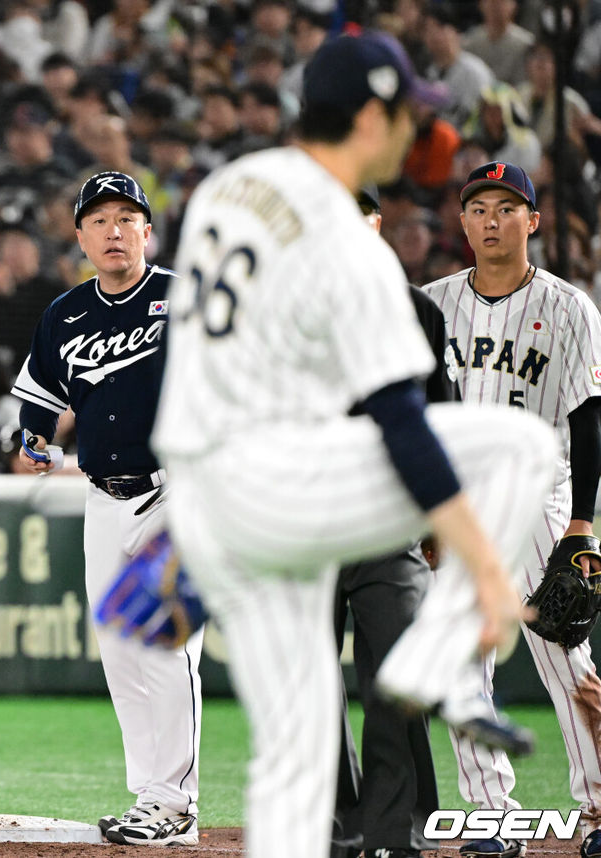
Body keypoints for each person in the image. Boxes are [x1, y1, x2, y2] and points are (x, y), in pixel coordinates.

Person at [148, 32, 557, 858]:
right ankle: (421, 665)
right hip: (289, 487)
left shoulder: (229, 190)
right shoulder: (346, 247)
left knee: (295, 759)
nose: (418, 129)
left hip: (224, 497)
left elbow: (189, 369)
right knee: (522, 448)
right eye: (409, 112)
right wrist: (483, 565)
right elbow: (405, 423)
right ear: (371, 114)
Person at [12, 171, 203, 847]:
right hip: (103, 497)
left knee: (162, 641)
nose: (113, 230)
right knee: (121, 651)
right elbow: (38, 399)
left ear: (148, 231)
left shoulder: (186, 299)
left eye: (127, 218)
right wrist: (31, 436)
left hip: (181, 490)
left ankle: (174, 798)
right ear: (80, 236)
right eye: (99, 220)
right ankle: (152, 797)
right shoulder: (65, 314)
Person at [423, 162, 601, 858]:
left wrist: (582, 523)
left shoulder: (569, 307)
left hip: (539, 493)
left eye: (507, 207)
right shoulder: (432, 305)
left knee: (565, 655)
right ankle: (492, 817)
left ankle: (597, 810)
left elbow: (589, 419)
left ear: (533, 221)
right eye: (479, 208)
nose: (492, 220)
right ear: (463, 223)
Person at [332, 186, 458, 858]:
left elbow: (442, 417)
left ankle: (400, 827)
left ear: (375, 224)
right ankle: (331, 827)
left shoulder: (417, 312)